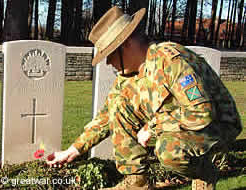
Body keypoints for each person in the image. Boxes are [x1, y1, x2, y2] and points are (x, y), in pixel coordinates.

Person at [46, 6, 242, 190]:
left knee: (169, 151)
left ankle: (204, 172)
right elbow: (106, 116)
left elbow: (202, 112)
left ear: (127, 44)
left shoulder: (170, 61)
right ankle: (136, 181)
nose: (108, 62)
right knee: (119, 105)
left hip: (217, 124)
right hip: (180, 124)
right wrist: (73, 150)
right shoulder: (128, 76)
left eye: (110, 54)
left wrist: (152, 127)